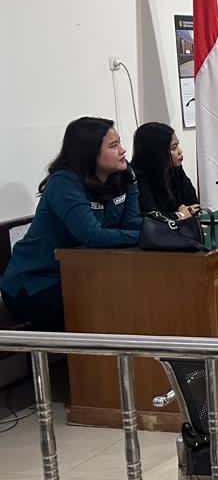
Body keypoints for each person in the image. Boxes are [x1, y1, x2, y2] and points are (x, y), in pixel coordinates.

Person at [1, 117, 141, 331]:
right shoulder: (63, 183)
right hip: (36, 282)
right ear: (89, 152)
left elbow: (132, 223)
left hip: (83, 275)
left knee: (132, 296)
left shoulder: (124, 175)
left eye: (119, 143)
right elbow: (92, 236)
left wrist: (157, 231)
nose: (123, 150)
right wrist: (146, 235)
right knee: (102, 308)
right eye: (114, 146)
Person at [132, 122, 200, 218]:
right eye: (174, 148)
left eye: (178, 145)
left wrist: (182, 211)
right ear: (157, 153)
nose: (180, 151)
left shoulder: (175, 169)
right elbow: (152, 216)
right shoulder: (137, 177)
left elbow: (193, 205)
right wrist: (179, 215)